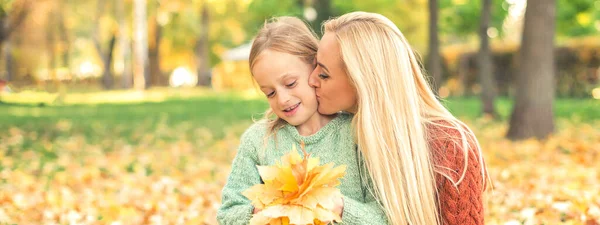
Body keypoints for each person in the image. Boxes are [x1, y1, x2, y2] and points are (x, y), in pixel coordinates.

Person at [308, 12, 489, 225]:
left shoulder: (450, 146)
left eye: (324, 74)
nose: (311, 80)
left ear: (364, 81)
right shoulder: (334, 134)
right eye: (315, 67)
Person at [217, 16, 387, 225]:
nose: (282, 99)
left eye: (290, 83)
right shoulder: (258, 141)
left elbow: (384, 216)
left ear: (316, 69)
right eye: (270, 93)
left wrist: (341, 208)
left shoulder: (356, 134)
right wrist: (261, 210)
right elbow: (227, 214)